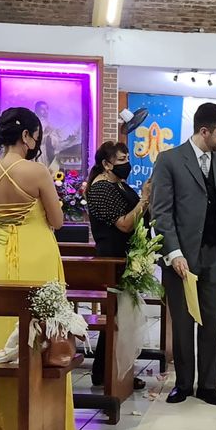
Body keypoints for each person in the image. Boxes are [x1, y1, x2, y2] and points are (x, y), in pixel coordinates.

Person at [0, 107, 77, 430]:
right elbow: (58, 221)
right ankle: (43, 421)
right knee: (43, 336)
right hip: (38, 253)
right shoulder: (37, 171)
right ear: (28, 136)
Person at [151, 102, 216, 406]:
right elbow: (161, 213)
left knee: (212, 322)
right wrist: (174, 252)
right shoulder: (169, 160)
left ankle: (208, 385)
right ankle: (184, 383)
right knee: (184, 321)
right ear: (204, 131)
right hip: (182, 257)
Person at [85, 140, 150, 390]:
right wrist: (144, 200)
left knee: (121, 317)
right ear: (106, 163)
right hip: (111, 258)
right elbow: (124, 223)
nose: (127, 165)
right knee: (114, 316)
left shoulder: (118, 184)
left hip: (124, 256)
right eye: (122, 160)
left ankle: (114, 369)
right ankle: (105, 372)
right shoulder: (101, 189)